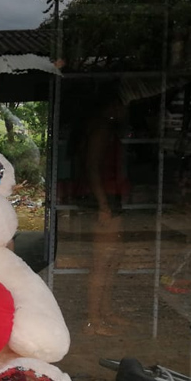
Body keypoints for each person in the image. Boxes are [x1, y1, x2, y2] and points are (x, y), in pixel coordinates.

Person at [72, 93, 131, 336]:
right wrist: (102, 204)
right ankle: (93, 319)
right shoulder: (100, 130)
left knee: (112, 261)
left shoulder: (107, 129)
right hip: (104, 200)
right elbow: (92, 168)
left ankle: (104, 313)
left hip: (112, 198)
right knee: (100, 263)